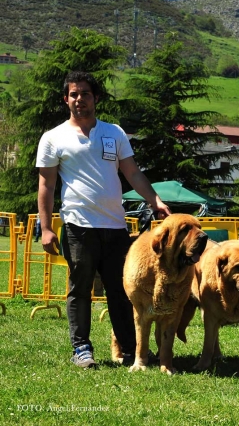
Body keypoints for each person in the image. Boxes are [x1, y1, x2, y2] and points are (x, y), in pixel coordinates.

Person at [36, 71, 171, 369]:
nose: (79, 99)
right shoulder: (53, 138)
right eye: (73, 94)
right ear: (65, 99)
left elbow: (132, 172)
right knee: (80, 289)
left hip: (115, 227)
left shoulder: (115, 133)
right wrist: (46, 228)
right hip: (77, 227)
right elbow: (46, 185)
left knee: (122, 290)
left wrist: (155, 200)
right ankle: (82, 349)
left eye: (84, 93)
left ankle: (129, 350)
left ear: (96, 98)